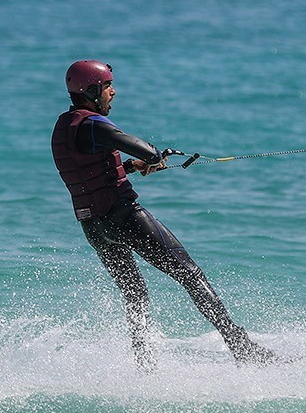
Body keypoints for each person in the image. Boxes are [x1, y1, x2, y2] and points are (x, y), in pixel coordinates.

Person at [51, 59, 276, 370]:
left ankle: (145, 365)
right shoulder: (92, 124)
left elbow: (94, 174)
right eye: (108, 87)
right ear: (92, 90)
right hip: (122, 216)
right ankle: (242, 348)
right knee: (191, 275)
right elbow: (142, 147)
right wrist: (154, 156)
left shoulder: (64, 127)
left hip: (93, 226)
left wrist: (132, 167)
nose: (114, 92)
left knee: (135, 293)